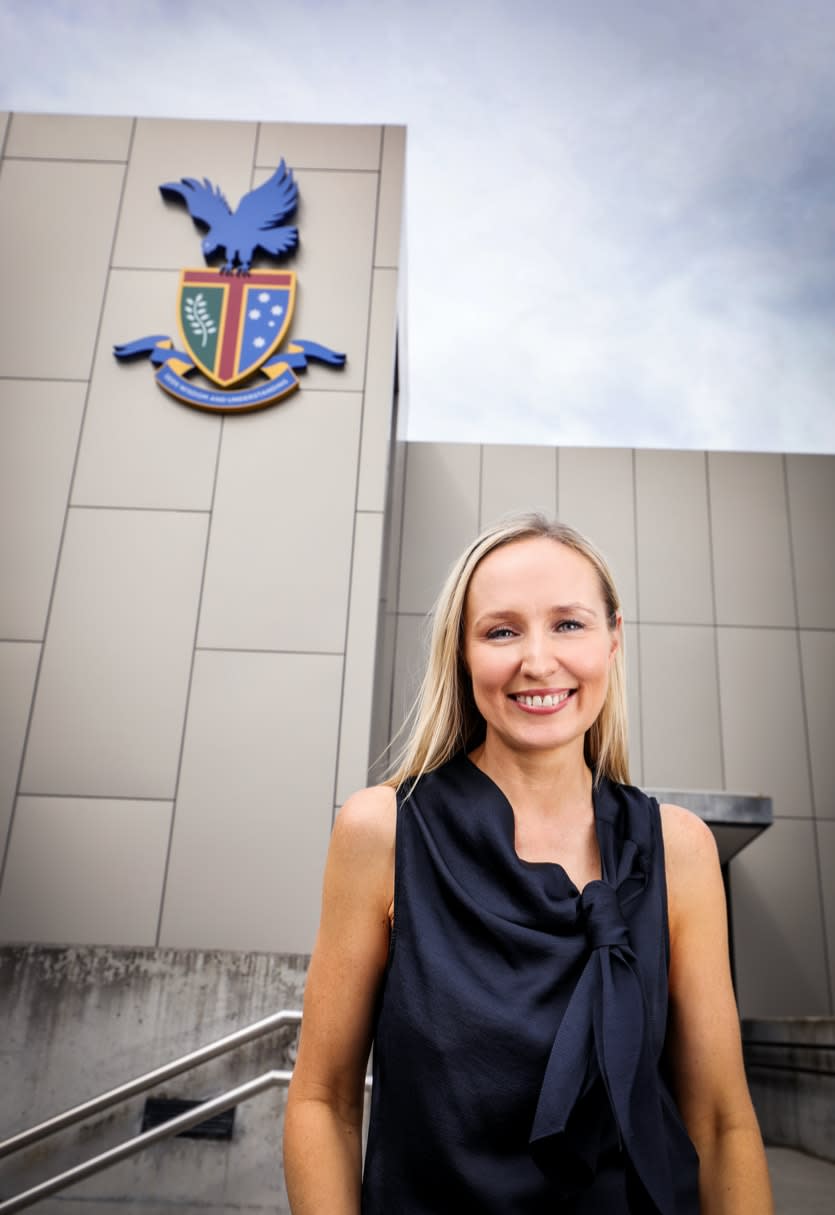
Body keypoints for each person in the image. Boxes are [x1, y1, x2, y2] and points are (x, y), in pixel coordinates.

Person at [283, 514, 773, 1214]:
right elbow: (322, 1101)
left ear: (613, 638)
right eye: (501, 630)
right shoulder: (382, 832)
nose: (537, 661)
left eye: (568, 624)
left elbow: (722, 1123)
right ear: (462, 653)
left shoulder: (681, 848)